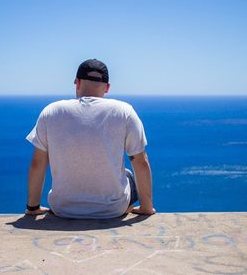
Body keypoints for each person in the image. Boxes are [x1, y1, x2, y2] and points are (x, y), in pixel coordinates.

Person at [25, 59, 155, 218]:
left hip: (62, 209)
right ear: (107, 88)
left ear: (77, 82)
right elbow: (141, 162)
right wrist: (147, 208)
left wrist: (33, 208)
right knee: (127, 173)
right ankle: (138, 208)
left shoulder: (50, 111)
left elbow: (37, 163)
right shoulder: (125, 112)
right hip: (113, 211)